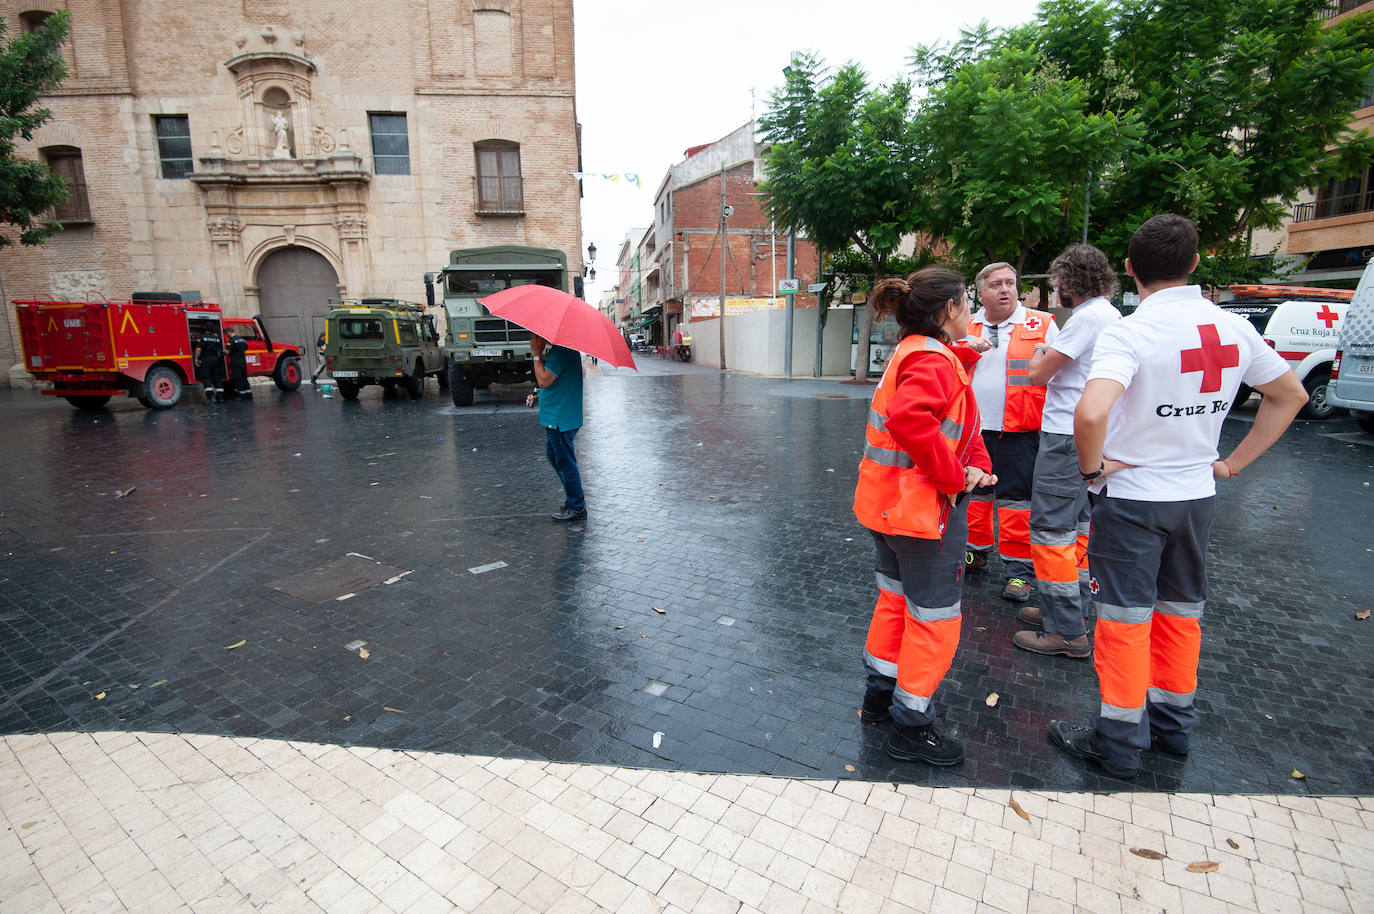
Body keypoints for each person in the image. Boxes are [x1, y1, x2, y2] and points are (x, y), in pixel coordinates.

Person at [1051, 214, 1308, 778]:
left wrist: (1093, 473)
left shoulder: (1131, 330)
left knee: (1123, 619)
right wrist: (1232, 464)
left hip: (1134, 499)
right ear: (1195, 263)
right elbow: (1289, 394)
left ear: (1129, 269)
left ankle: (1117, 744)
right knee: (1180, 614)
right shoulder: (1233, 328)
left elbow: (1090, 411)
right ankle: (1173, 728)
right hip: (1195, 497)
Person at [854, 267, 997, 766]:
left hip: (887, 508)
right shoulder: (934, 360)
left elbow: (934, 414)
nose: (972, 313)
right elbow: (912, 418)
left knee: (894, 604)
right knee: (933, 620)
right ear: (951, 309)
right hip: (923, 516)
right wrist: (956, 478)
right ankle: (911, 728)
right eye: (967, 303)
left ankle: (879, 699)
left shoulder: (915, 350)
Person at [1014, 245, 1122, 658]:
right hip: (1088, 438)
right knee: (1076, 528)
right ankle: (1068, 609)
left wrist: (1041, 347)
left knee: (1049, 531)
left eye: (1058, 281)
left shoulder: (1086, 318)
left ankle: (1066, 632)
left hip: (1063, 438)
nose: (1056, 288)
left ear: (1069, 282)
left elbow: (1038, 372)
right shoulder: (1111, 314)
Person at [965, 263, 1057, 603]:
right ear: (980, 292)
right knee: (974, 497)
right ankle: (974, 552)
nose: (1005, 289)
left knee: (1016, 504)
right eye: (996, 284)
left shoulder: (1042, 323)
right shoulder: (967, 324)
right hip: (974, 431)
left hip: (1018, 432)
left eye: (1010, 283)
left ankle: (1019, 570)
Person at [529, 334, 587, 522]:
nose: (535, 337)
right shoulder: (561, 350)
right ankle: (573, 500)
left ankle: (577, 506)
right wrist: (538, 395)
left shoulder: (562, 351)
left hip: (560, 419)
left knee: (565, 463)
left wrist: (536, 355)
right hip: (557, 417)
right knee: (555, 457)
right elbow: (555, 383)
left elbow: (544, 380)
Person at [193, 326, 226, 402]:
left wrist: (196, 359)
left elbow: (198, 349)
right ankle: (220, 398)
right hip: (216, 360)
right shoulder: (218, 339)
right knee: (217, 378)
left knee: (206, 377)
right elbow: (222, 351)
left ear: (205, 330)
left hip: (206, 360)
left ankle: (210, 397)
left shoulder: (203, 338)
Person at [225, 330, 251, 398]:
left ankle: (242, 394)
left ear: (229, 333)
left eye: (226, 335)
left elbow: (226, 352)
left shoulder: (231, 341)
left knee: (238, 378)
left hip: (235, 361)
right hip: (243, 361)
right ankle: (249, 394)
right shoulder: (242, 340)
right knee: (244, 377)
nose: (227, 336)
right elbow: (246, 348)